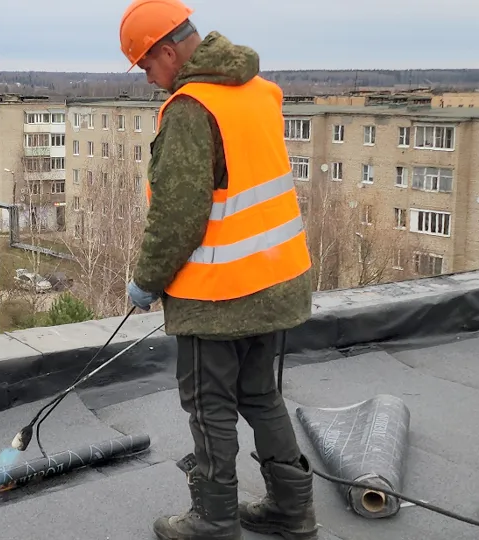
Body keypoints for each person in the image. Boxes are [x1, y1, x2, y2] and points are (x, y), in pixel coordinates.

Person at [118, 1, 319, 539]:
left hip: (219, 291)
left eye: (145, 65)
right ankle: (292, 509)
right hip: (275, 279)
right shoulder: (259, 92)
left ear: (167, 50)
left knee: (210, 406)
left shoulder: (190, 108)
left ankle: (213, 517)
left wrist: (147, 281)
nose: (148, 78)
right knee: (260, 395)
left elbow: (178, 214)